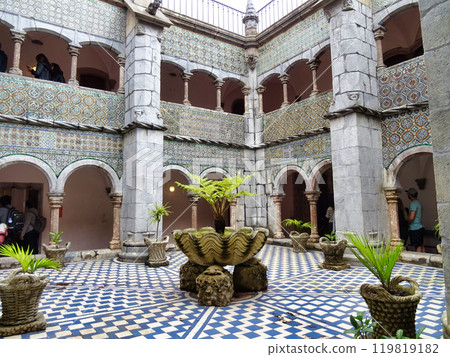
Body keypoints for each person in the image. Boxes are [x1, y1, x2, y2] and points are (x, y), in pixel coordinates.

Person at [406, 187, 425, 252]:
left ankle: (418, 261)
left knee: (418, 246)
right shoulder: (418, 203)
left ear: (410, 195)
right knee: (421, 245)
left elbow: (411, 217)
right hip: (420, 227)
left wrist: (406, 219)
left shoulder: (413, 204)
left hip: (415, 228)